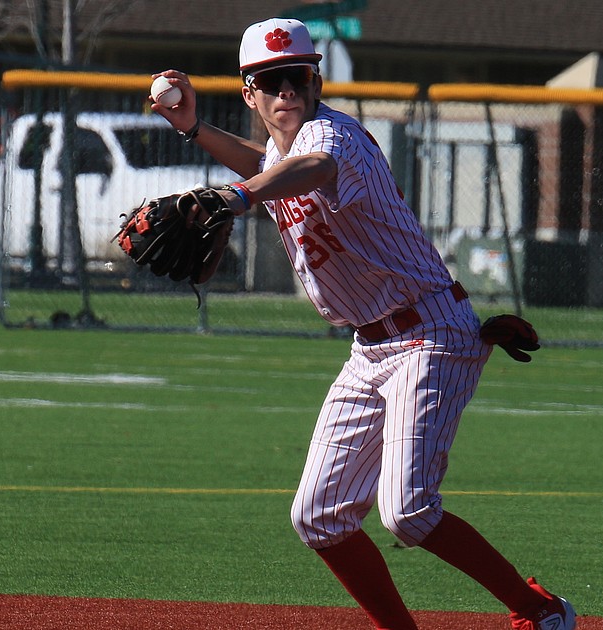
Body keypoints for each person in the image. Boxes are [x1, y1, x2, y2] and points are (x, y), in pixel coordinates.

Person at [148, 17, 576, 630]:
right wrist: (191, 128)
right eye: (270, 81)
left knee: (408, 512)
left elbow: (308, 172)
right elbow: (265, 162)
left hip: (430, 333)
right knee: (318, 517)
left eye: (297, 76)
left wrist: (236, 197)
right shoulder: (280, 151)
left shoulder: (332, 136)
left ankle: (542, 612)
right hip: (370, 348)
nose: (286, 90)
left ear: (316, 79)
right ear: (250, 92)